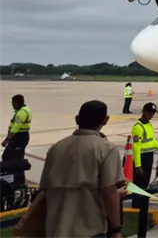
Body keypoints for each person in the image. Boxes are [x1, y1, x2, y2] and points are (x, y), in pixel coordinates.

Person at [39, 100, 125, 238]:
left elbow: (44, 190)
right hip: (89, 229)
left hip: (55, 229)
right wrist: (116, 229)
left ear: (77, 119)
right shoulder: (107, 149)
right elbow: (109, 192)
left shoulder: (56, 148)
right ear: (106, 120)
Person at [131, 102, 158, 209]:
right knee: (139, 185)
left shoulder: (149, 125)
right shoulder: (137, 127)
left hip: (149, 157)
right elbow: (136, 147)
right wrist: (138, 165)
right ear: (144, 112)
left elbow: (152, 141)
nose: (152, 115)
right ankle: (136, 207)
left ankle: (143, 206)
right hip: (141, 159)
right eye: (150, 113)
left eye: (153, 113)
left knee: (145, 184)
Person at [2, 94, 32, 161]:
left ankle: (14, 171)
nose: (12, 105)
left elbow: (15, 128)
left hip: (19, 138)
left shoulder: (21, 113)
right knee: (10, 156)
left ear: (15, 103)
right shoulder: (25, 110)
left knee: (14, 158)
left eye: (12, 103)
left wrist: (7, 139)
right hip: (19, 137)